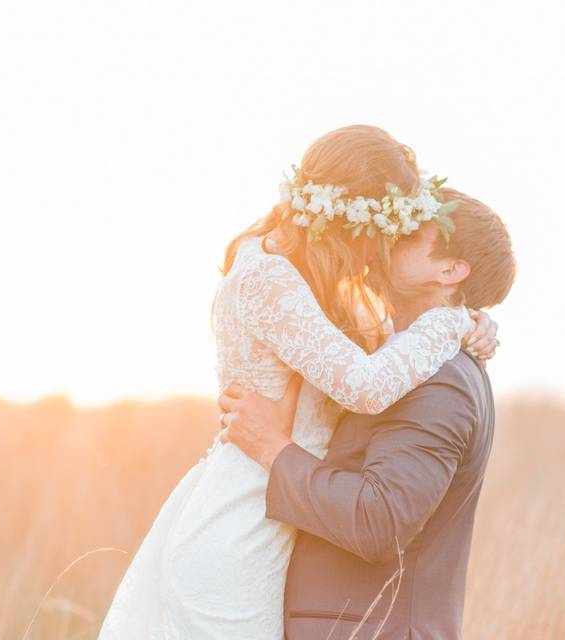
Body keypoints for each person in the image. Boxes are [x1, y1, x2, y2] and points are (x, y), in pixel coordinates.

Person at [97, 125, 498, 639]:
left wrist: (470, 316)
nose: (387, 243)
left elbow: (386, 349)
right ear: (356, 217)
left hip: (268, 524)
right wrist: (451, 321)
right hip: (240, 527)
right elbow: (365, 386)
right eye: (390, 225)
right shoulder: (270, 278)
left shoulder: (316, 281)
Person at [218, 189, 516, 639]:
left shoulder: (442, 383)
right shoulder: (401, 361)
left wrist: (274, 450)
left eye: (410, 229)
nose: (385, 234)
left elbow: (379, 522)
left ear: (450, 270)